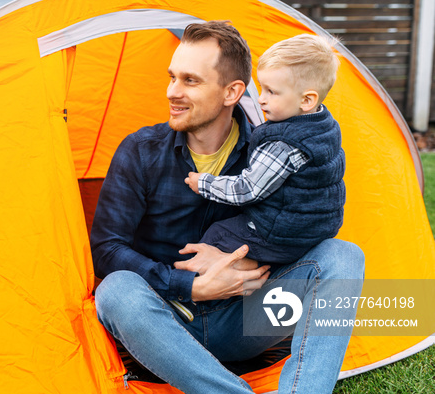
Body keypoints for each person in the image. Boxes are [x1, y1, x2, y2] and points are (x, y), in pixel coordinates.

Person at [90, 21, 365, 394]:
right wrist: (192, 285)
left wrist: (244, 264)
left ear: (232, 91)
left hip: (243, 318)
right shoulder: (140, 150)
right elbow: (106, 250)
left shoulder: (273, 154)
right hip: (165, 320)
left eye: (190, 81)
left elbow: (303, 226)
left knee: (343, 255)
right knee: (115, 291)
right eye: (172, 77)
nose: (172, 91)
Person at [183, 34, 345, 265]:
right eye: (261, 89)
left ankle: (200, 294)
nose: (260, 99)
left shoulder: (284, 145)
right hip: (313, 230)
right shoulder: (325, 125)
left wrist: (204, 184)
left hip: (281, 234)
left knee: (218, 234)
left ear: (307, 100)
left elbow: (247, 189)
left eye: (271, 92)